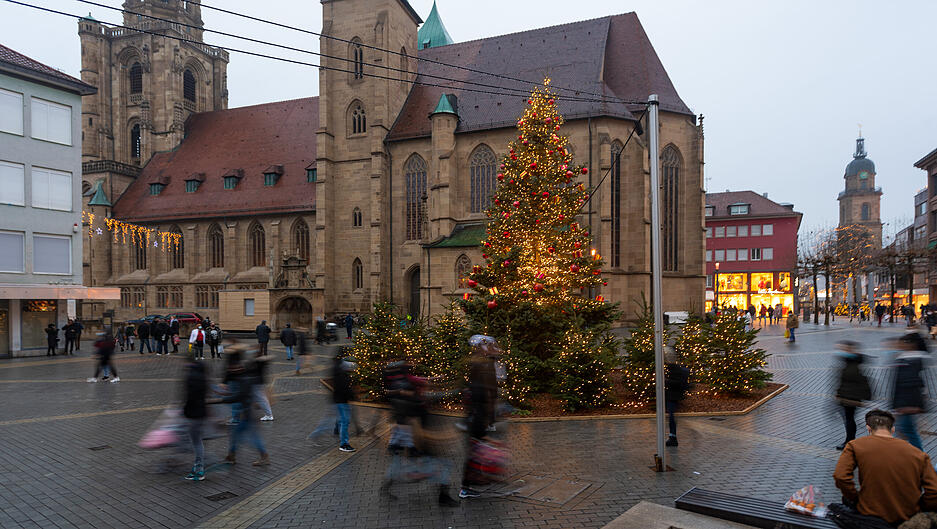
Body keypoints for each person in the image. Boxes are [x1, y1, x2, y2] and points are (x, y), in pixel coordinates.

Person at [833, 409, 937, 526]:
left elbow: (840, 477)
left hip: (869, 513)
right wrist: (920, 506)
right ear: (892, 429)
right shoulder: (919, 454)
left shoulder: (855, 445)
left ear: (868, 428)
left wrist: (856, 498)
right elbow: (934, 491)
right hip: (906, 516)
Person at [459, 335, 500, 499]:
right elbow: (483, 392)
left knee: (478, 448)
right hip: (478, 415)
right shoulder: (480, 365)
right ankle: (465, 487)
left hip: (480, 414)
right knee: (475, 450)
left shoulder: (484, 363)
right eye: (489, 346)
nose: (493, 348)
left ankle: (476, 478)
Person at [218, 347, 270, 466]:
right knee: (238, 435)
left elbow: (238, 396)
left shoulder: (244, 379)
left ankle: (263, 456)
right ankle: (232, 455)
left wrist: (221, 399)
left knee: (249, 437)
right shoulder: (244, 378)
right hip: (246, 413)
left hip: (247, 414)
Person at [892, 333, 928, 451]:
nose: (898, 345)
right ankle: (913, 458)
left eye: (902, 342)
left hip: (907, 403)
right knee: (905, 430)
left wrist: (909, 406)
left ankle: (918, 458)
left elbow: (911, 384)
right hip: (905, 403)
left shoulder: (913, 360)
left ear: (911, 344)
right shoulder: (906, 358)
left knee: (908, 431)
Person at [835, 341, 872, 450]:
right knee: (848, 419)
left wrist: (858, 399)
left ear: (852, 350)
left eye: (846, 349)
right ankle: (849, 440)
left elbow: (860, 381)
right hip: (846, 396)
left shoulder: (854, 364)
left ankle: (850, 441)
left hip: (851, 397)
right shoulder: (849, 362)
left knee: (849, 419)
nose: (844, 351)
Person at [182, 351, 208, 481]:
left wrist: (185, 411)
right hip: (200, 411)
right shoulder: (202, 374)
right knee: (197, 441)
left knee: (196, 441)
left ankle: (199, 469)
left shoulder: (192, 376)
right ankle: (197, 466)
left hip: (194, 412)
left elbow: (190, 397)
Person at [664, 349, 691, 447]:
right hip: (673, 395)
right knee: (671, 416)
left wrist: (666, 381)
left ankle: (673, 437)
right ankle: (672, 436)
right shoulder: (674, 368)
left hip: (673, 396)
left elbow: (677, 382)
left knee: (671, 416)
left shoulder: (674, 369)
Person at [332, 347, 356, 452]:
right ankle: (344, 444)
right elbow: (343, 386)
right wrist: (351, 394)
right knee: (345, 421)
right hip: (341, 399)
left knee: (342, 419)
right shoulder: (340, 369)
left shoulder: (338, 367)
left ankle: (337, 429)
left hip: (339, 398)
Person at [249, 351, 274, 421]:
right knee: (257, 398)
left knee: (261, 399)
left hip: (257, 382)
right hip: (259, 382)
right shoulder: (261, 362)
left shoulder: (257, 362)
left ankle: (269, 415)